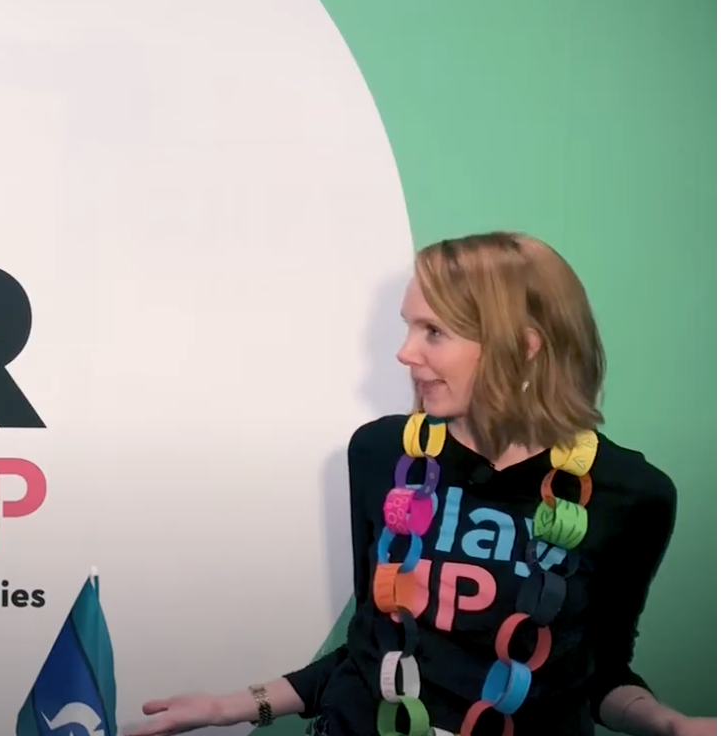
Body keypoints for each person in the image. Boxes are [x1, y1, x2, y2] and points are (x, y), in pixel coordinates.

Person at [129, 232, 713, 736]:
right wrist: (236, 705)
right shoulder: (383, 454)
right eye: (410, 327)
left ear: (526, 346)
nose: (405, 353)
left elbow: (599, 673)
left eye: (434, 332)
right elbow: (375, 645)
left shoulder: (630, 493)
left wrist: (667, 724)